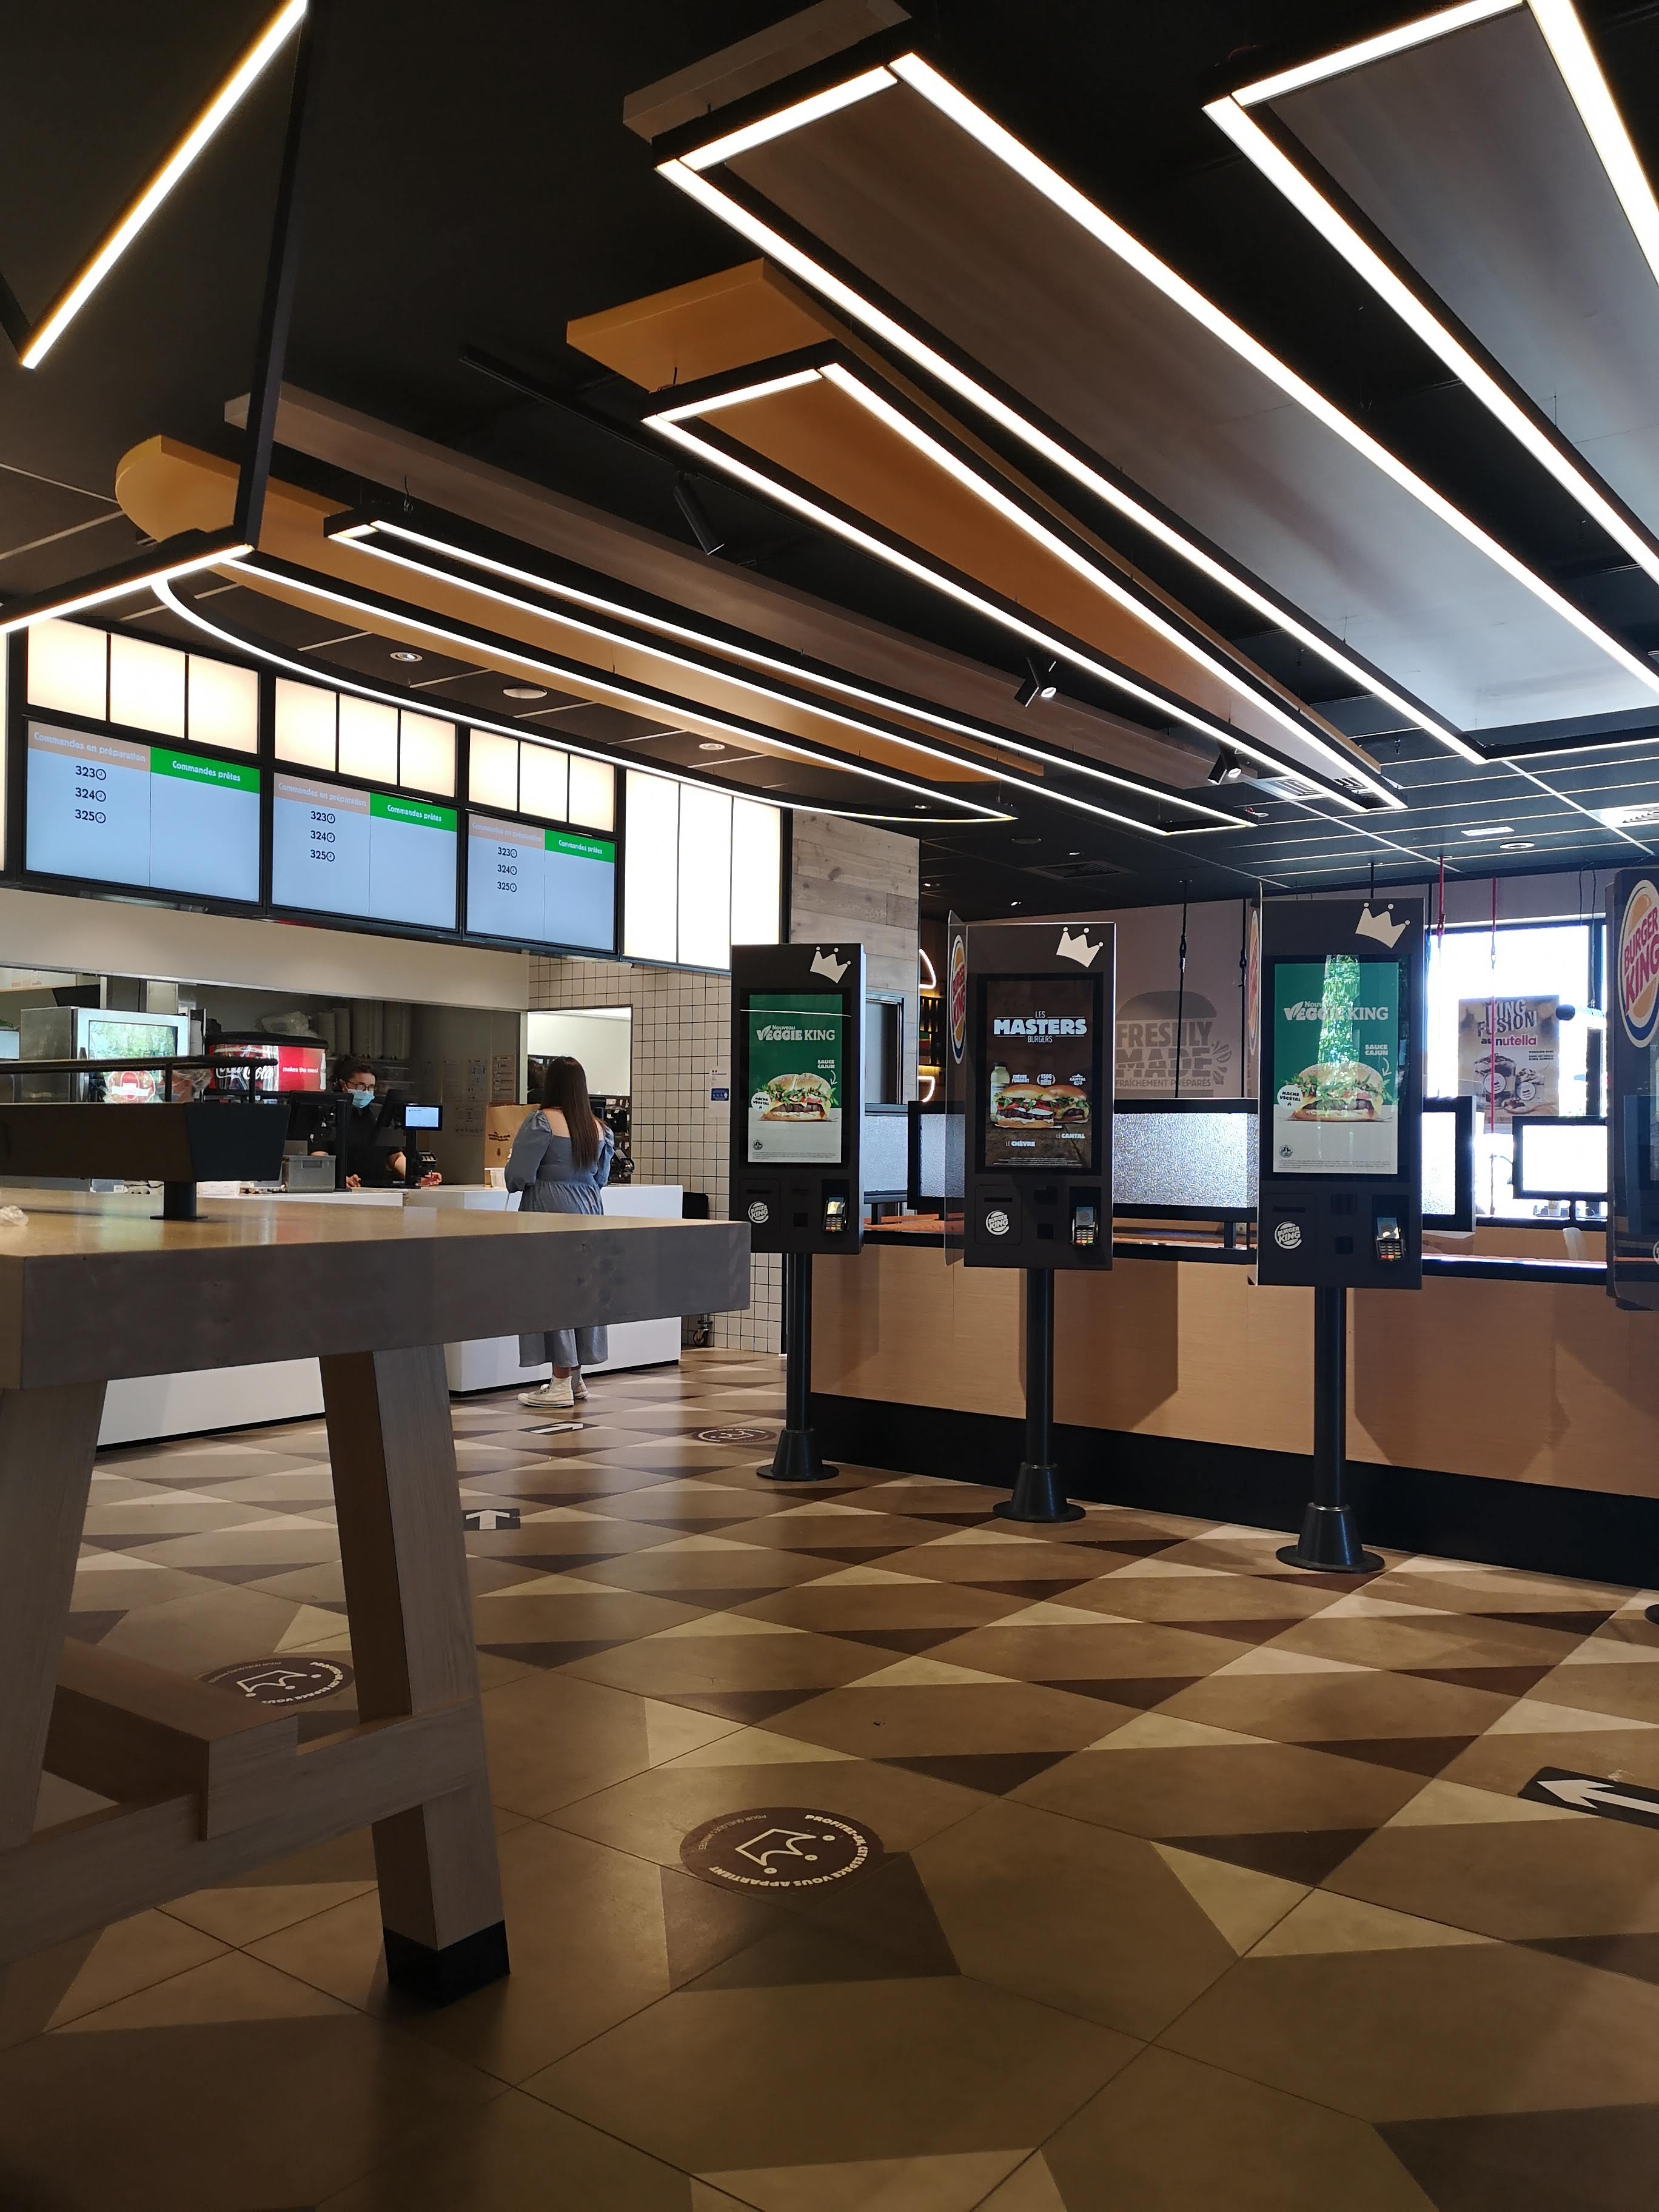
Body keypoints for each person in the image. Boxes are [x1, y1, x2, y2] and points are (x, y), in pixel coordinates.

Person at [506, 1054, 612, 1410]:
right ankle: (576, 1378)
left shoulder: (541, 1122)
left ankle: (560, 1383)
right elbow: (601, 1178)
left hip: (548, 1211)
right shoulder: (598, 1128)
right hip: (590, 1210)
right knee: (582, 1291)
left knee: (550, 1292)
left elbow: (519, 1175)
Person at [312, 1056, 441, 1190]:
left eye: (371, 1088)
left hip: (378, 1189)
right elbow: (319, 1157)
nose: (366, 1092)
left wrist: (415, 1178)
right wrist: (338, 1179)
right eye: (360, 1087)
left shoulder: (379, 1113)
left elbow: (395, 1156)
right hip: (341, 1191)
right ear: (343, 1085)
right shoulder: (328, 1114)